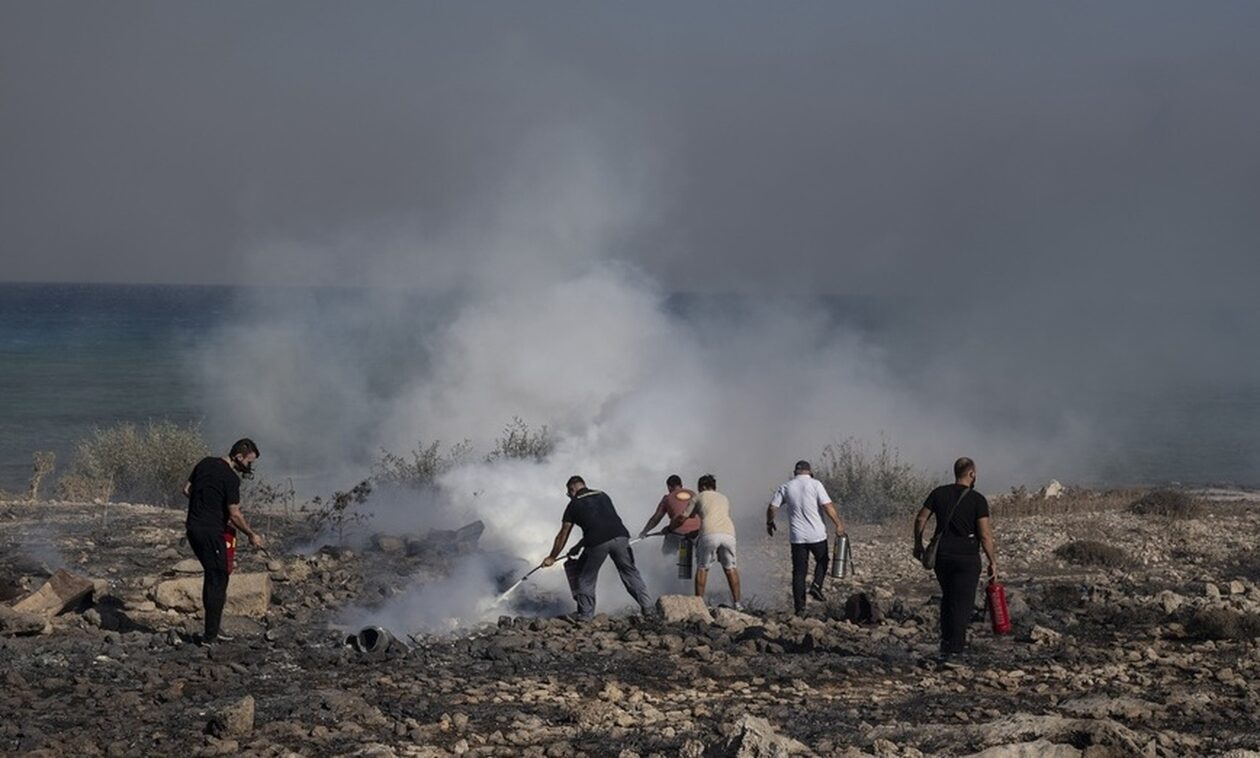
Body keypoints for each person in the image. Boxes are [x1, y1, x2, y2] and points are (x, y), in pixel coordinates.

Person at [913, 457, 998, 659]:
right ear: (971, 474)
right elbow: (985, 535)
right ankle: (955, 651)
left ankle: (946, 643)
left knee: (949, 598)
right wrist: (992, 561)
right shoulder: (977, 499)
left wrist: (918, 543)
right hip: (967, 557)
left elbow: (921, 517)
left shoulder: (938, 493)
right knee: (963, 604)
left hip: (941, 556)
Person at [183, 438, 266, 644]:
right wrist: (251, 534)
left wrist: (205, 505)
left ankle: (213, 629)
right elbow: (235, 515)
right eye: (249, 462)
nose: (249, 466)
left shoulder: (204, 463)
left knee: (214, 575)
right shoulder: (231, 478)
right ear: (239, 457)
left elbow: (187, 490)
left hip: (193, 528)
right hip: (212, 533)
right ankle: (210, 636)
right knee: (218, 578)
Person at [542, 476, 654, 620]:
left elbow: (563, 533)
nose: (569, 496)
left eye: (568, 494)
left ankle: (585, 615)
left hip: (596, 543)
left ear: (572, 489)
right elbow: (601, 523)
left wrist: (552, 557)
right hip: (620, 536)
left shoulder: (573, 505)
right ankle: (649, 609)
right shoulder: (603, 495)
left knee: (585, 577)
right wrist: (578, 546)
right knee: (630, 572)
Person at [766, 460, 845, 615]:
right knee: (823, 560)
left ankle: (799, 609)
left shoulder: (786, 486)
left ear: (795, 472)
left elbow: (772, 507)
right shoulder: (816, 485)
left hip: (798, 537)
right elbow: (827, 506)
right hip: (817, 535)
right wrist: (838, 524)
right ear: (810, 472)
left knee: (799, 572)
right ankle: (816, 585)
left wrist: (769, 523)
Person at [674, 473, 741, 609]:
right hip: (729, 533)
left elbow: (683, 517)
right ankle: (738, 603)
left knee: (703, 568)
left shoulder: (698, 497)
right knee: (730, 568)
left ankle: (700, 604)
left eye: (699, 487)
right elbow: (713, 515)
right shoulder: (724, 498)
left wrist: (670, 528)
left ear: (703, 486)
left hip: (709, 533)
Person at [639, 474, 701, 560]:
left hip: (678, 533)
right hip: (697, 533)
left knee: (668, 554)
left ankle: (668, 568)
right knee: (697, 557)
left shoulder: (667, 498)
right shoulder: (693, 494)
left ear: (669, 487)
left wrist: (644, 532)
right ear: (681, 485)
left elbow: (656, 518)